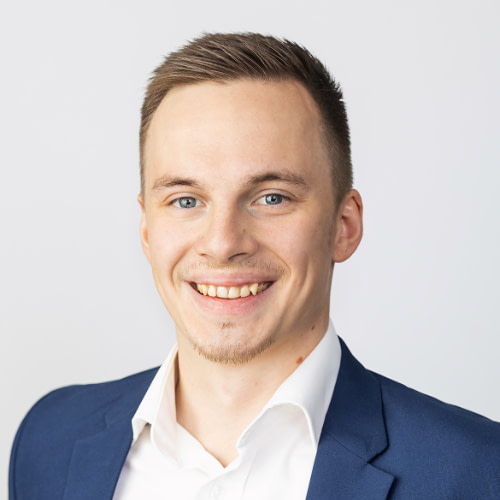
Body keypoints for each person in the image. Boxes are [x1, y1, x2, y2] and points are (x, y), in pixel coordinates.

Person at [9, 32, 500, 500]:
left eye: (271, 197)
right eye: (185, 200)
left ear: (344, 226)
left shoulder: (478, 471)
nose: (223, 243)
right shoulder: (50, 440)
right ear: (146, 230)